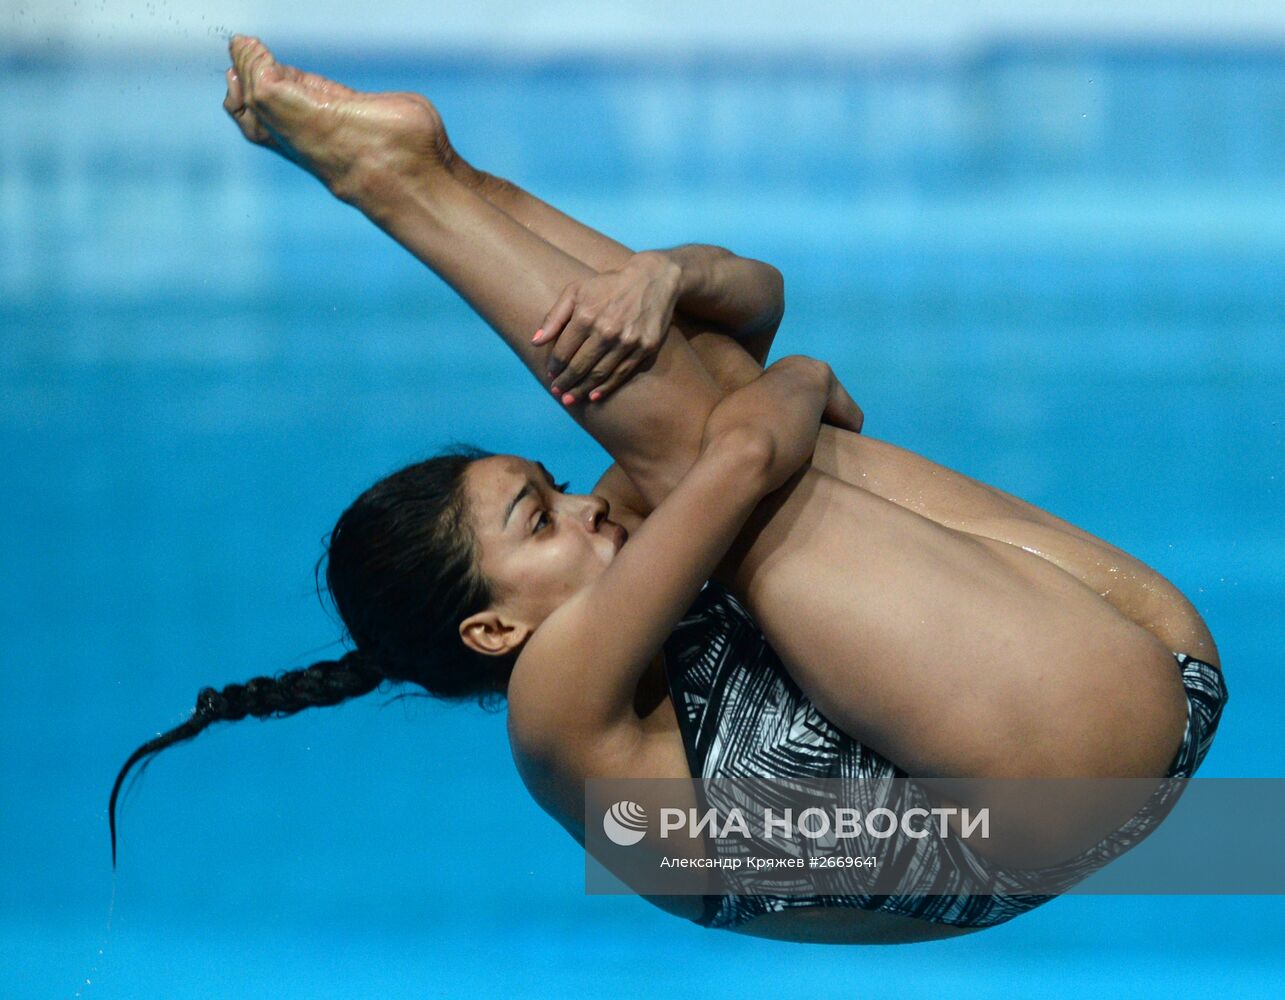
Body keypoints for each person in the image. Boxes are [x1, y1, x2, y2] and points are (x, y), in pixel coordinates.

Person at [108, 37, 1227, 945]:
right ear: (494, 625)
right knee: (703, 449)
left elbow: (753, 318)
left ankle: (455, 181)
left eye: (549, 483)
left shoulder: (626, 535)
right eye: (538, 519)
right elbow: (738, 452)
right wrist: (792, 382)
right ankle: (392, 189)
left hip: (1128, 671)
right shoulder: (558, 717)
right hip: (1061, 787)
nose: (584, 502)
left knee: (705, 388)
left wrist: (672, 275)